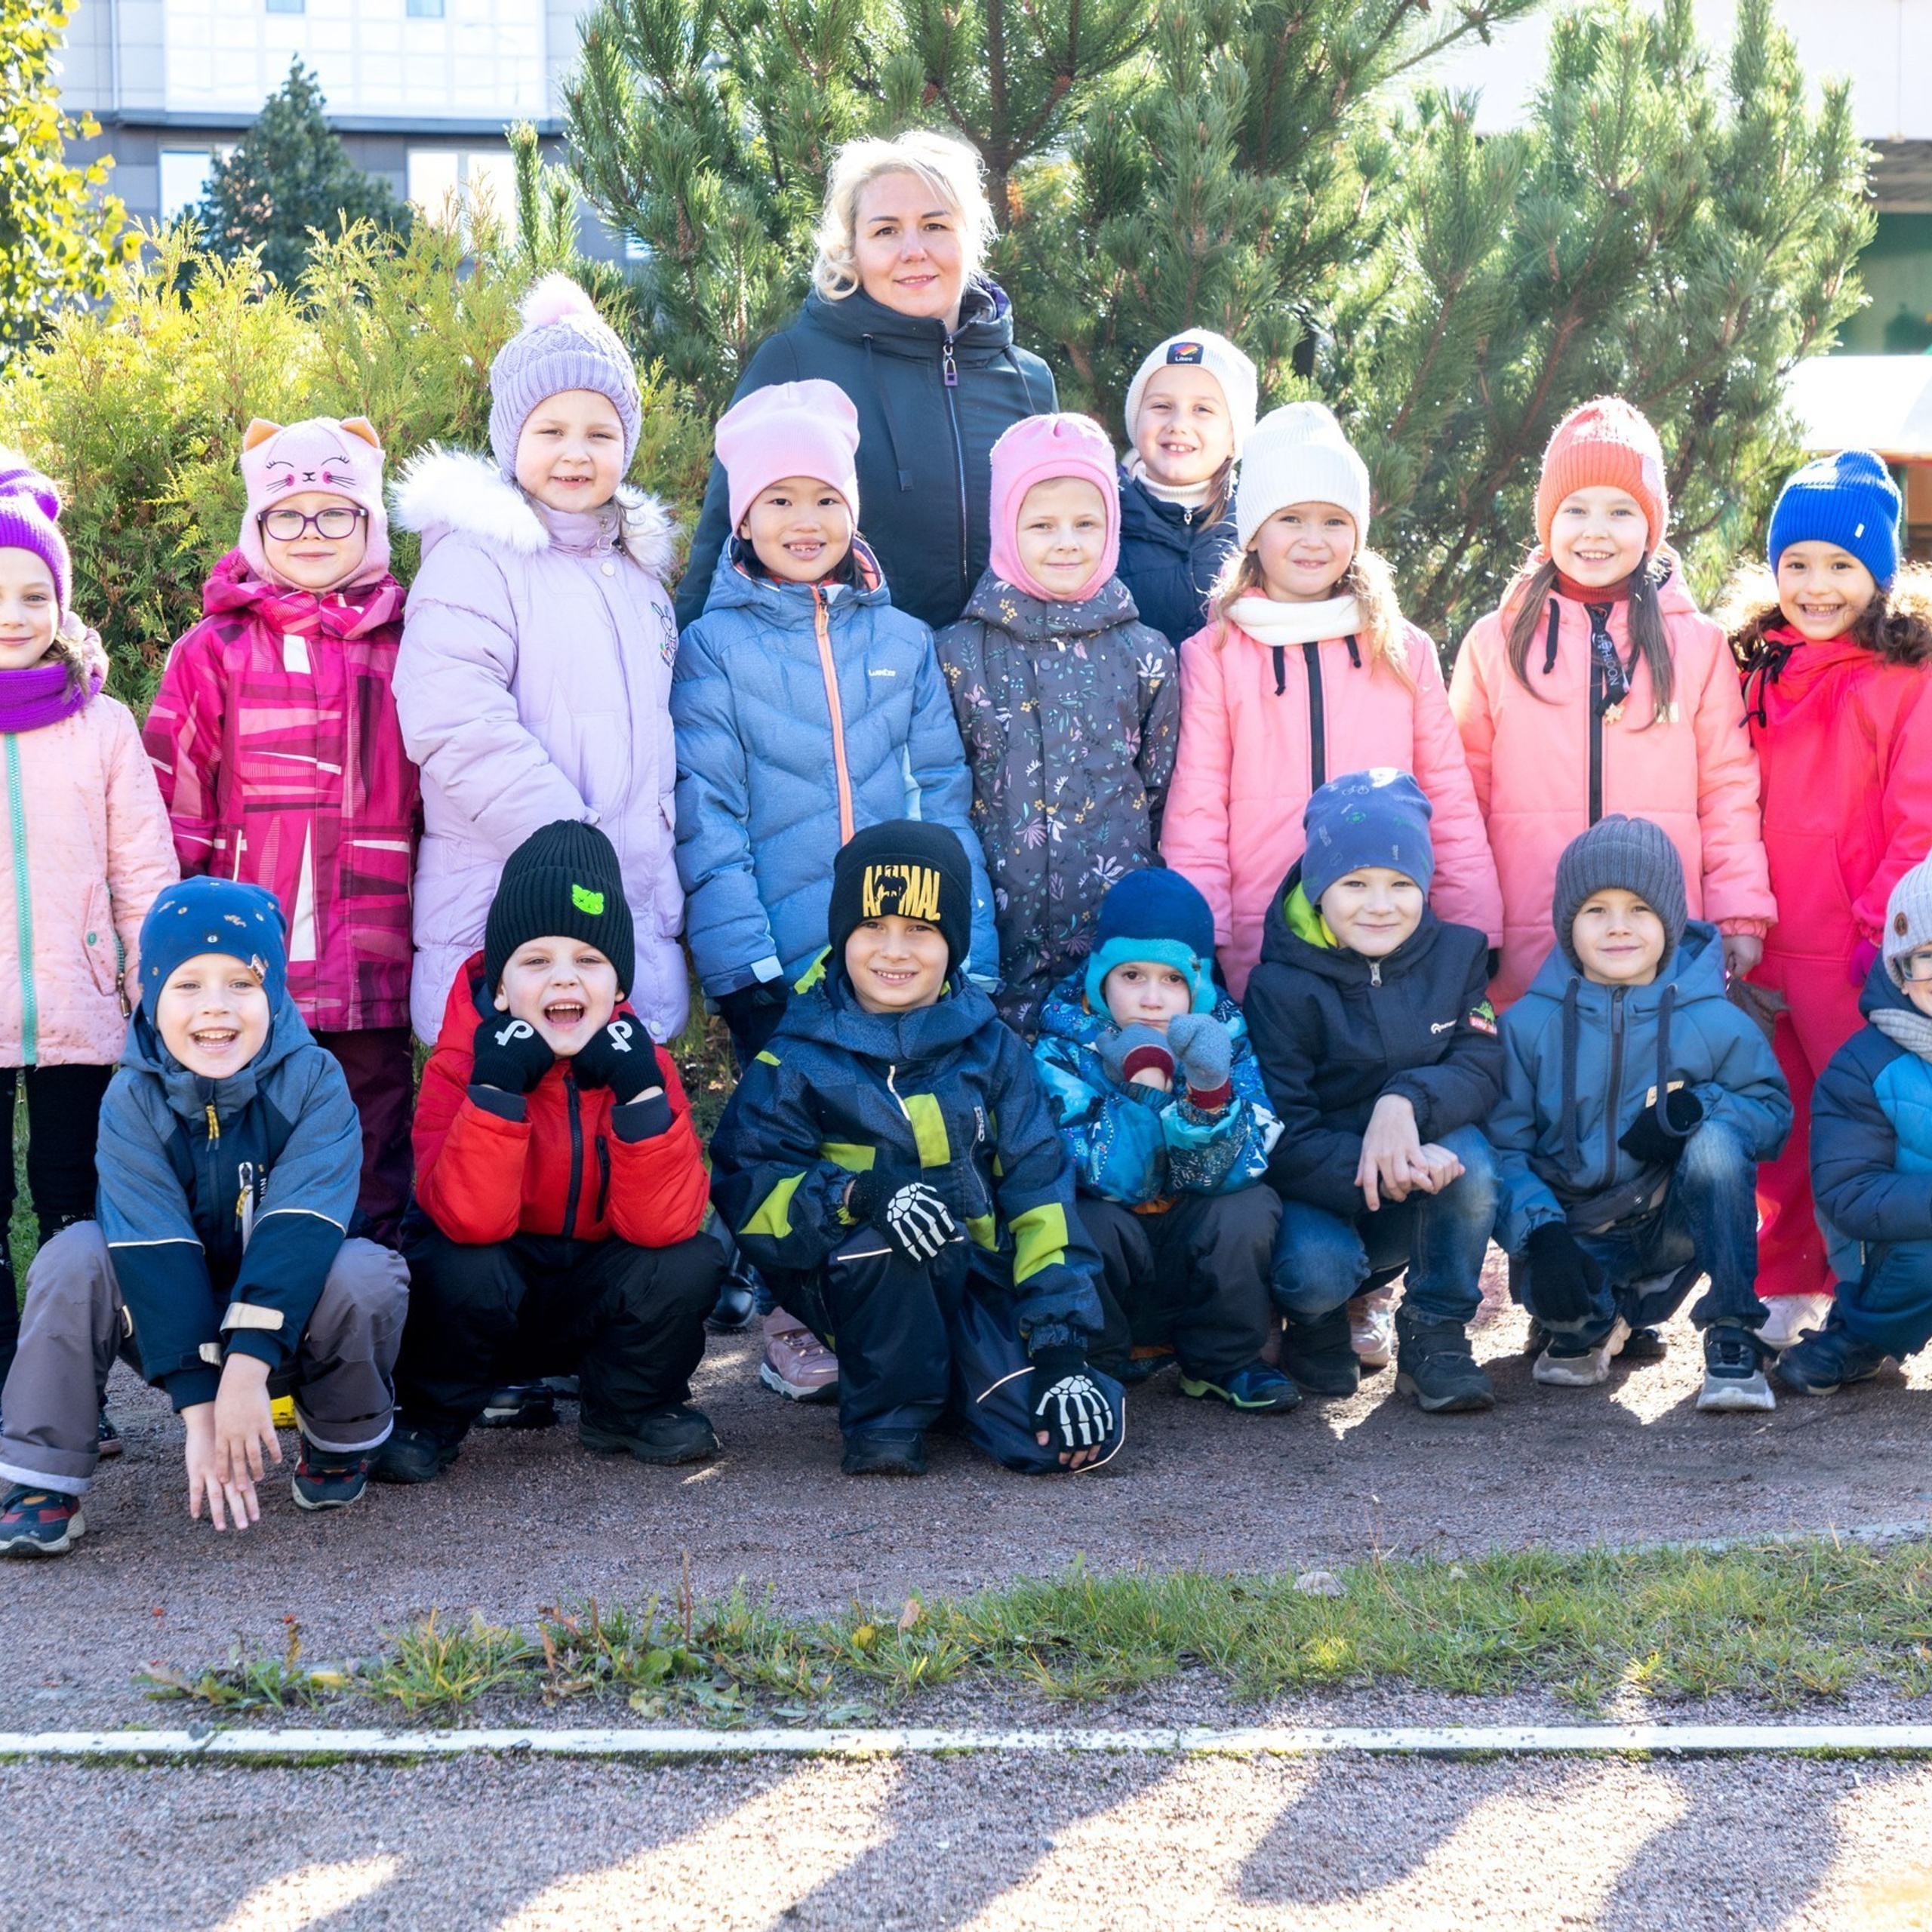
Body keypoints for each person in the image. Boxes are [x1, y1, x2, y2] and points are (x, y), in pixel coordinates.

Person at [0, 878, 408, 1555]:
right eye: (188, 986)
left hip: (288, 1316)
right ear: (149, 995)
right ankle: (44, 1478)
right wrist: (201, 1408)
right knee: (71, 1258)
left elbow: (301, 1228)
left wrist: (247, 1370)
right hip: (164, 1318)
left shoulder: (316, 1081)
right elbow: (151, 1246)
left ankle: (338, 1441)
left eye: (241, 985)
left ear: (274, 992)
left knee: (366, 1273)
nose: (215, 1009)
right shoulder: (130, 1096)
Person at [709, 821, 1121, 1478]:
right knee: (892, 1238)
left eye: (921, 930)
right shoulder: (795, 1055)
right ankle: (888, 1418)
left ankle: (964, 1376)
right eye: (873, 926)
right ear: (843, 934)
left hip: (977, 1281)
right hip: (856, 1284)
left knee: (1055, 1439)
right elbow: (748, 1190)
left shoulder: (995, 1052)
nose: (894, 950)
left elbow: (1039, 1190)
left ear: (952, 944)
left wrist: (1062, 1350)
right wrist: (856, 1195)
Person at [373, 821, 723, 1484]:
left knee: (689, 1260)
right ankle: (433, 1415)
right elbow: (464, 1217)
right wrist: (497, 1089)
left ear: (619, 986)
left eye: (589, 961)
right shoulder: (461, 1063)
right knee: (453, 1261)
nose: (565, 980)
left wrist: (641, 1094)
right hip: (493, 1292)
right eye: (537, 962)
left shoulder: (641, 1066)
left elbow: (666, 1223)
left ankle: (629, 1406)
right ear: (502, 988)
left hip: (593, 1295)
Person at [392, 274, 689, 1051]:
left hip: (622, 920)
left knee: (617, 1143)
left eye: (600, 433)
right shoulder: (476, 560)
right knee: (504, 1135)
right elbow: (453, 717)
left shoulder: (638, 575)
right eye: (550, 430)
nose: (575, 452)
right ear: (509, 439)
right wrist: (569, 845)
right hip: (506, 906)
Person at [144, 417, 419, 1247]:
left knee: (373, 1127)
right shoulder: (214, 651)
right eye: (286, 514)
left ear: (369, 525)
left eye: (335, 513)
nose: (311, 533)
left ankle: (371, 1311)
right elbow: (176, 808)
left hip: (376, 951)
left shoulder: (409, 645)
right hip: (249, 961)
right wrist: (171, 956)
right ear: (255, 526)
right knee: (251, 1135)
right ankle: (259, 1313)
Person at [673, 377, 994, 1068]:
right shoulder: (714, 648)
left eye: (826, 499)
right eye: (779, 500)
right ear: (745, 519)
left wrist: (977, 947)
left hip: (905, 957)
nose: (805, 520)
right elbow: (709, 815)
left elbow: (942, 796)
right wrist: (743, 969)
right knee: (795, 1155)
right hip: (783, 969)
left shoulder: (905, 643)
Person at [1161, 400, 1501, 998]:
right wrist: (1199, 936)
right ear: (1254, 532)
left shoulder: (1400, 648)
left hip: (1388, 934)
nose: (1313, 541)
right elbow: (1197, 810)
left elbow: (1446, 794)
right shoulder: (1214, 654)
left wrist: (1475, 927)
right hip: (1263, 943)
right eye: (1291, 518)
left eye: (1334, 521)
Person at [1450, 396, 1774, 1012]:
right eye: (1576, 509)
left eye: (1621, 511)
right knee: (1537, 1093)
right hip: (1528, 942)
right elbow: (1463, 796)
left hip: (1662, 940)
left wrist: (1739, 910)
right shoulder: (1495, 643)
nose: (1595, 530)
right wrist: (1470, 922)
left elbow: (1728, 788)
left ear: (1651, 526)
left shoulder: (1696, 646)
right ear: (1548, 520)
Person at [676, 131, 1057, 633]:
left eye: (936, 225)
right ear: (851, 248)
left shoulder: (1027, 380)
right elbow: (720, 548)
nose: (914, 250)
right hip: (854, 696)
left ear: (971, 237)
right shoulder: (794, 363)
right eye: (885, 231)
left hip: (1002, 696)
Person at [1727, 451, 1932, 1347]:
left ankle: (1875, 1299)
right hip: (1766, 941)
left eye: (1842, 566)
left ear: (1880, 574)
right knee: (1785, 1123)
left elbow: (1917, 816)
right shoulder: (1755, 670)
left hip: (1854, 950)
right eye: (1796, 563)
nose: (1816, 586)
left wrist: (1881, 931)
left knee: (1863, 1135)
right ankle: (1787, 1281)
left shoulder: (1903, 680)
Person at [1489, 817, 1792, 1412]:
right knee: (1569, 1328)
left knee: (1715, 1146)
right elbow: (1502, 1147)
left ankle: (1732, 1330)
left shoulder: (1713, 1017)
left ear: (1671, 921)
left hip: (1672, 1220)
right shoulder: (1529, 1026)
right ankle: (1601, 1316)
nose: (1619, 927)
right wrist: (1541, 1236)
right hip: (1578, 1229)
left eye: (1639, 909)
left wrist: (1697, 1106)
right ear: (1566, 923)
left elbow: (1772, 1115)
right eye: (1596, 910)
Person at [0, 462, 177, 1407]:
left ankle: (75, 1393)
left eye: (34, 594)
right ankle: (4, 1392)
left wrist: (154, 983)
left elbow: (143, 870)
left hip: (83, 1001)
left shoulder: (103, 725)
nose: (14, 614)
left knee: (73, 1200)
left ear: (60, 605)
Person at [1243, 771, 1503, 1412]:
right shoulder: (1278, 987)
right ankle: (1315, 1323)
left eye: (1400, 885)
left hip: (1413, 1189)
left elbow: (1482, 1062)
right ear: (1317, 888)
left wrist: (1405, 1101)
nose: (1380, 905)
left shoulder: (1458, 955)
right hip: (1320, 1192)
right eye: (1354, 884)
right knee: (1315, 1271)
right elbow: (1282, 1132)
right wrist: (1381, 1168)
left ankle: (1435, 1332)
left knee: (1473, 1160)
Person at [935, 412, 1179, 1035]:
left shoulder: (1146, 653)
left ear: (1112, 528)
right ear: (1005, 527)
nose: (1066, 542)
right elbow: (946, 788)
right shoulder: (959, 654)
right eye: (1041, 525)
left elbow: (1159, 786)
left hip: (1111, 949)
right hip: (997, 940)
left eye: (1085, 523)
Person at [1032, 866, 1290, 1408]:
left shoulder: (1227, 1038)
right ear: (1100, 977)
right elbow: (1102, 1177)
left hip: (1192, 1257)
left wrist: (1207, 1095)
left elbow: (1245, 1164)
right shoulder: (1062, 1047)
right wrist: (1145, 1092)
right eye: (1132, 976)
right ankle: (1095, 1366)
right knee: (1082, 1215)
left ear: (1197, 983)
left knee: (1249, 1207)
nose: (1153, 999)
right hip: (1112, 1261)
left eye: (1173, 979)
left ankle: (1224, 1362)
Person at [1778, 858, 1932, 1395]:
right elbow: (1848, 1193)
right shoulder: (1862, 1067)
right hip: (1891, 1250)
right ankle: (1861, 1334)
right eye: (1929, 958)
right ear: (1898, 968)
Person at [1114, 330, 1257, 649]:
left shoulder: (1256, 534)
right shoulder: (1102, 523)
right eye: (1162, 406)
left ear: (1235, 437)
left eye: (1202, 410)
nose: (1178, 423)